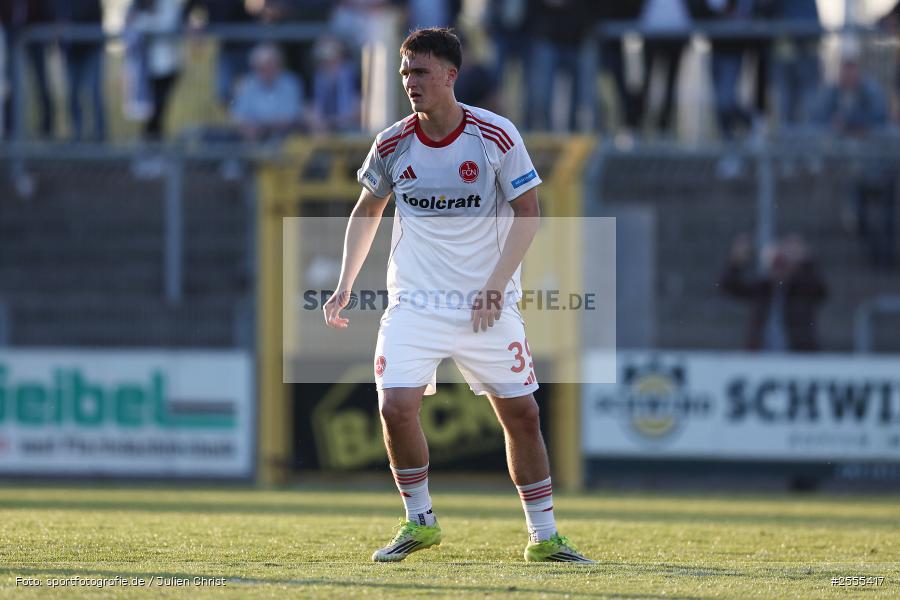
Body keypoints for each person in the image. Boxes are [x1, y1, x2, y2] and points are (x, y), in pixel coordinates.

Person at [323, 27, 595, 564]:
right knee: (394, 407)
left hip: (484, 305)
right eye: (405, 72)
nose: (410, 81)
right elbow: (368, 208)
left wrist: (495, 285)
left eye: (421, 71)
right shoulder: (392, 143)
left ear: (451, 75)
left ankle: (544, 537)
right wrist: (344, 284)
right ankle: (419, 521)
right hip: (415, 303)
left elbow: (528, 212)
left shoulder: (494, 136)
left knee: (522, 415)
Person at [812, 57, 894, 268]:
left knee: (882, 210)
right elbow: (818, 120)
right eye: (844, 71)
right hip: (844, 165)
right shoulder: (832, 92)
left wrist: (850, 125)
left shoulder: (872, 91)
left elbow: (879, 120)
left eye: (851, 70)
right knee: (856, 204)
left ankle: (881, 254)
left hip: (876, 165)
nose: (847, 76)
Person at [720, 233, 828, 351]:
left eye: (783, 265)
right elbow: (730, 286)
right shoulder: (763, 289)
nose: (780, 271)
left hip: (798, 353)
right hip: (762, 353)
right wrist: (736, 262)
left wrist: (805, 261)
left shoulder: (802, 288)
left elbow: (821, 290)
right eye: (776, 266)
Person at [183, 0, 255, 107]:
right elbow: (188, 10)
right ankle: (235, 115)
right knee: (223, 93)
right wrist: (193, 23)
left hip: (250, 44)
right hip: (226, 48)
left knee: (252, 90)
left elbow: (253, 9)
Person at [128, 0, 182, 141]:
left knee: (158, 113)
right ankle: (150, 145)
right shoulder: (138, 4)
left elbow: (166, 25)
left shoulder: (167, 3)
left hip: (167, 67)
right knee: (147, 114)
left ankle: (154, 145)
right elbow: (129, 25)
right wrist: (147, 20)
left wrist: (141, 21)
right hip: (145, 69)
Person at [54, 0, 106, 141]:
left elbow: (93, 13)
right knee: (72, 93)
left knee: (94, 93)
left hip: (91, 45)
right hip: (71, 49)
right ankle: (76, 133)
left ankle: (100, 134)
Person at [231, 43, 304, 142]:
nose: (267, 69)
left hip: (284, 137)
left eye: (270, 64)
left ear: (279, 64)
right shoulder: (246, 84)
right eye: (261, 66)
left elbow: (291, 116)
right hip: (252, 137)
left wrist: (264, 126)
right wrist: (249, 126)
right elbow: (238, 115)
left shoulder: (291, 83)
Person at [308, 36, 359, 133]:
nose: (327, 63)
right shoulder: (316, 78)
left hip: (351, 129)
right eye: (323, 60)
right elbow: (310, 109)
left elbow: (358, 110)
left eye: (332, 58)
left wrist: (336, 121)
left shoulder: (352, 77)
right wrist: (319, 122)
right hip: (323, 131)